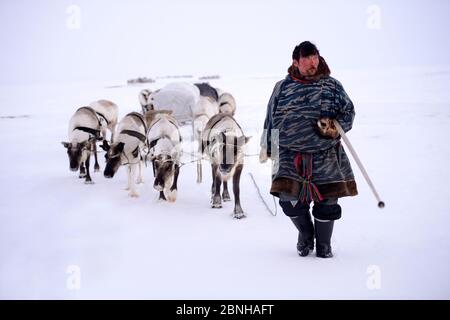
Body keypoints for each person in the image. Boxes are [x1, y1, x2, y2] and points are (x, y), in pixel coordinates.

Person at [259, 41, 358, 258]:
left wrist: (333, 127)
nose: (313, 62)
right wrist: (268, 146)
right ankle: (305, 235)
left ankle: (324, 244)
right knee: (289, 201)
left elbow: (348, 113)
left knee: (328, 202)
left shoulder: (332, 86)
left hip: (325, 155)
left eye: (316, 57)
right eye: (308, 58)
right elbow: (270, 118)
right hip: (288, 156)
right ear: (296, 62)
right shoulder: (282, 87)